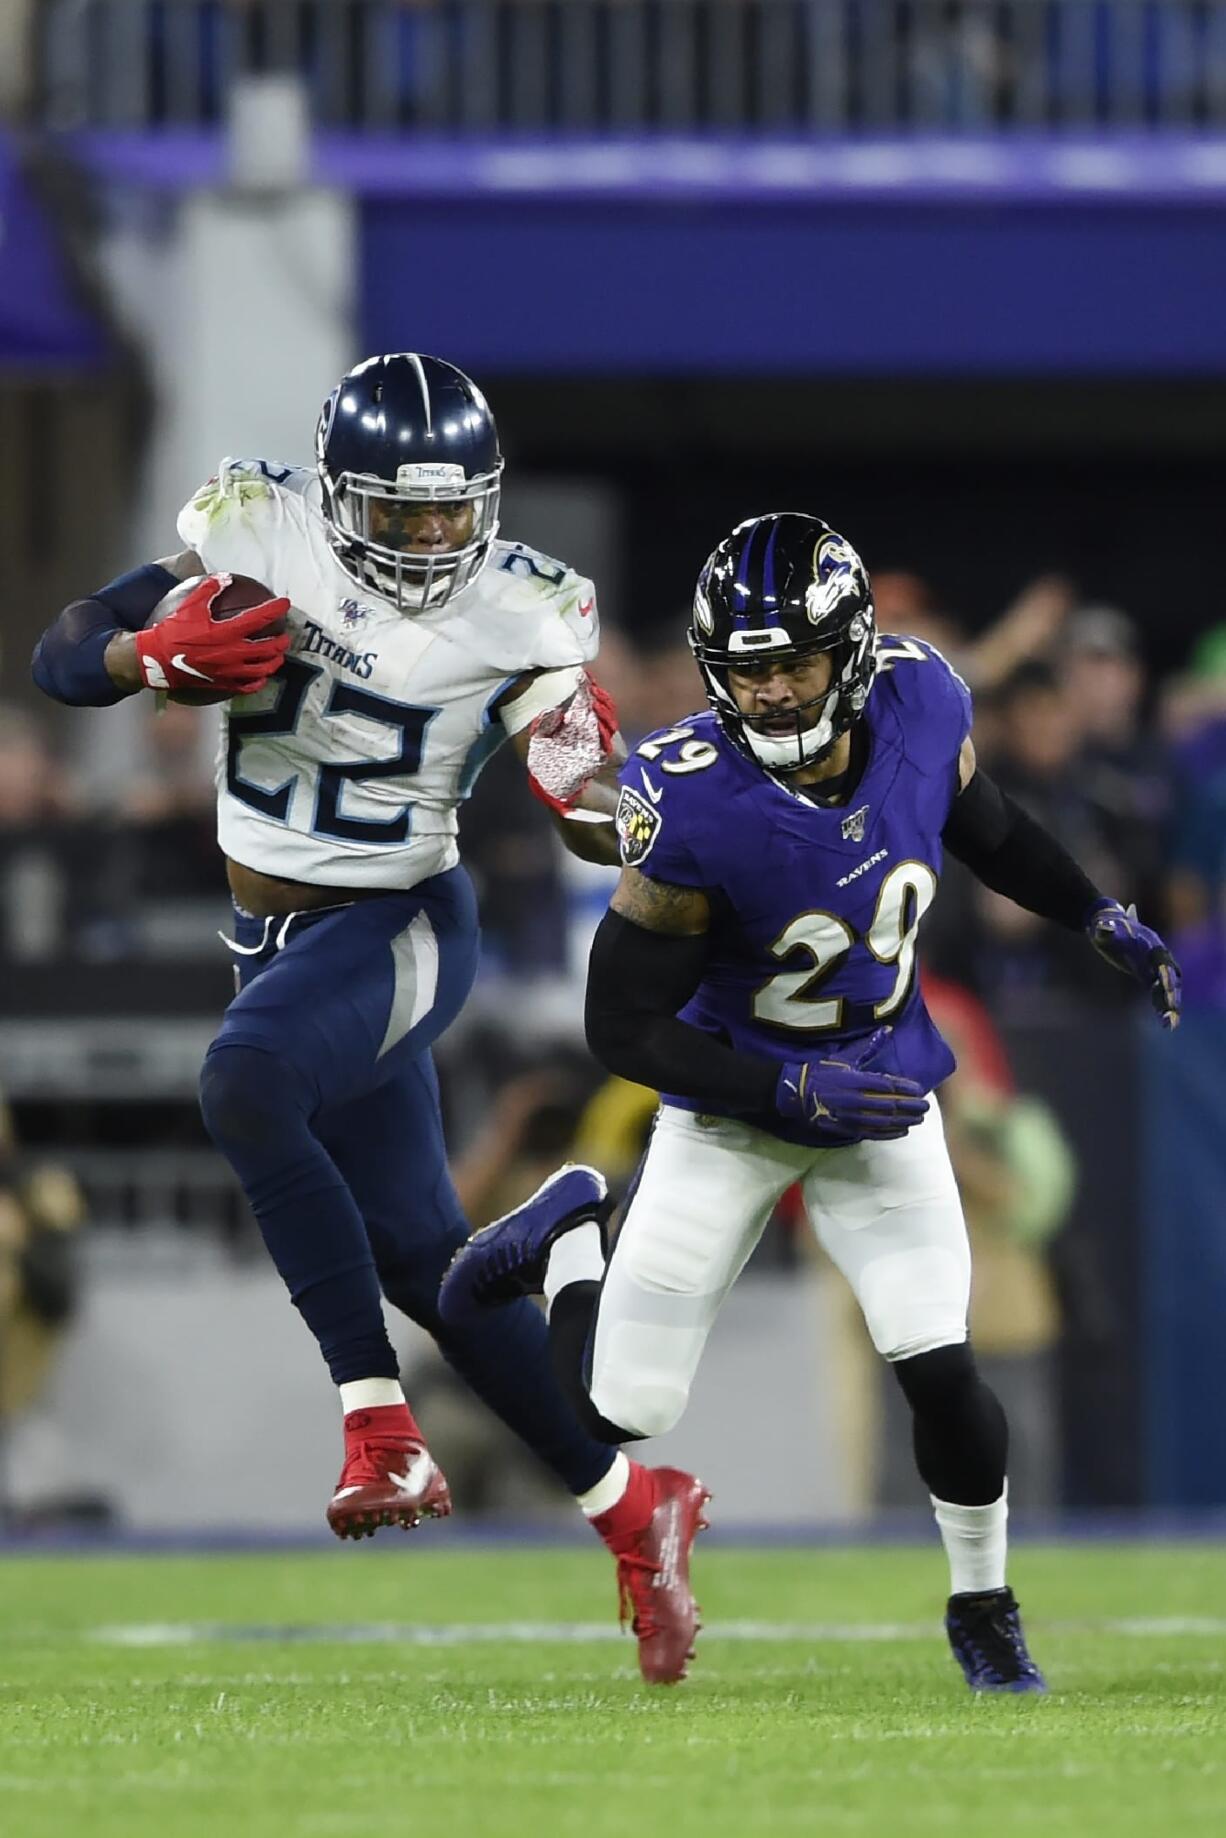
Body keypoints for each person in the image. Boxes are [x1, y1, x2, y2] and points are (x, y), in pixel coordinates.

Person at [30, 351, 705, 1685]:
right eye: (400, 513)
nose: (428, 539)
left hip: (396, 921)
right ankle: (636, 1510)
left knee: (244, 1085)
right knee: (429, 1263)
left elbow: (571, 763)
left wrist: (592, 787)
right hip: (272, 933)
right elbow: (64, 657)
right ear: (341, 496)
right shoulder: (258, 523)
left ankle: (377, 1422)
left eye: (453, 512)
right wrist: (138, 649)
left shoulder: (523, 607)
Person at [441, 511, 1180, 1693]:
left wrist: (1090, 909)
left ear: (852, 651)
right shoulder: (688, 798)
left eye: (794, 662)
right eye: (748, 670)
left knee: (939, 1361)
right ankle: (575, 1235)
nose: (775, 691)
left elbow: (984, 827)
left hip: (880, 1093)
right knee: (615, 1412)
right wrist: (785, 1082)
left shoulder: (924, 701)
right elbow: (618, 1026)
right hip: (734, 1108)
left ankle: (982, 1605)